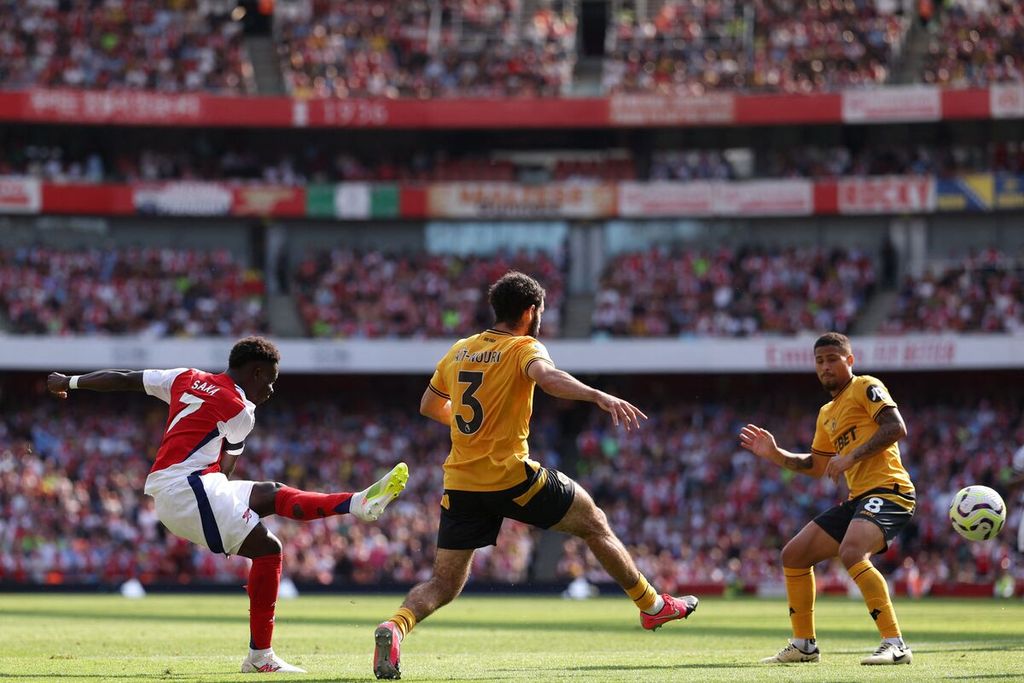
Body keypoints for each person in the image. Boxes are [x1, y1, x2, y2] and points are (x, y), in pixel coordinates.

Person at [371, 271, 698, 680]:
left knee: (443, 583)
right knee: (594, 523)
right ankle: (652, 607)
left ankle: (394, 626)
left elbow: (428, 405)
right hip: (511, 477)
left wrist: (474, 428)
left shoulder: (460, 350)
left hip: (462, 484)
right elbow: (548, 378)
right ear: (530, 311)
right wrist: (598, 394)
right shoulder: (524, 346)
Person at [47, 336, 409, 674]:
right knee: (269, 550)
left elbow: (125, 378)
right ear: (255, 372)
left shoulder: (184, 377)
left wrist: (70, 382)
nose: (271, 389)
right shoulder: (240, 409)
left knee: (271, 492)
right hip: (189, 488)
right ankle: (260, 657)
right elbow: (226, 468)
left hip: (187, 484)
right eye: (270, 380)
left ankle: (357, 503)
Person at [739, 331, 915, 666]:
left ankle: (895, 643)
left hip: (891, 490)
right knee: (793, 555)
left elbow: (895, 427)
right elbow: (817, 465)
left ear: (850, 360)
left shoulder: (865, 386)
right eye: (819, 361)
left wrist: (851, 457)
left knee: (852, 552)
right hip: (859, 498)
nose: (825, 366)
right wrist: (775, 454)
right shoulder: (826, 413)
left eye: (833, 359)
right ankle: (804, 644)